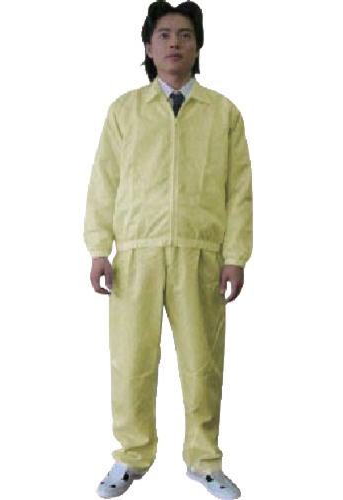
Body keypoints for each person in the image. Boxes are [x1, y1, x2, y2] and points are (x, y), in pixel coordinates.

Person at [83, 1, 253, 498]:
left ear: (197, 46)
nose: (174, 43)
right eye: (164, 35)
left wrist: (235, 255)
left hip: (200, 253)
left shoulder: (222, 113)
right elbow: (103, 182)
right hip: (136, 252)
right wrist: (99, 247)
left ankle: (204, 459)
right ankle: (131, 456)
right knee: (131, 360)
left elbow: (239, 190)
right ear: (148, 47)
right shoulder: (125, 111)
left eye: (184, 34)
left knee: (202, 363)